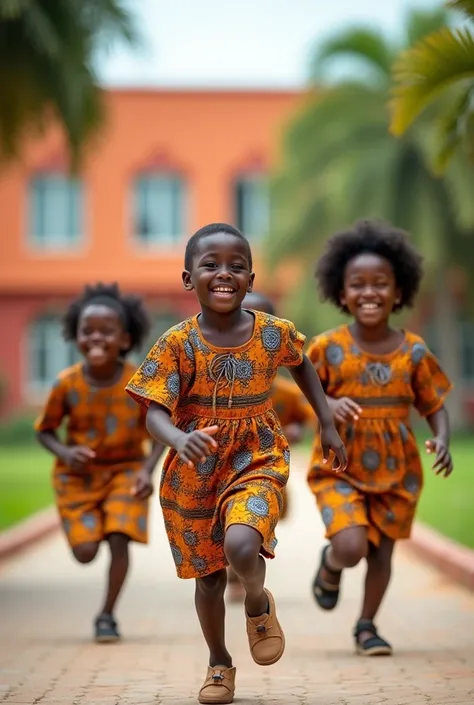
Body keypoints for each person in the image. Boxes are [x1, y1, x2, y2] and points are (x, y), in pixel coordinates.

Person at [125, 223, 346, 704]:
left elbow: (302, 363)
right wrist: (179, 439)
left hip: (256, 454)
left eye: (236, 266)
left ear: (250, 277)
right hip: (194, 470)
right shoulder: (176, 343)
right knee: (208, 576)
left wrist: (326, 422)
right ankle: (219, 663)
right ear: (189, 279)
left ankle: (258, 601)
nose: (224, 273)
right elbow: (155, 414)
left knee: (242, 544)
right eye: (211, 265)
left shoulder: (272, 333)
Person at [307, 220, 453, 657]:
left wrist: (442, 438)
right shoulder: (326, 348)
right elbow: (303, 388)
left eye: (380, 283)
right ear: (342, 292)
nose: (369, 292)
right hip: (340, 466)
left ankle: (367, 625)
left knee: (382, 554)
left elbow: (434, 404)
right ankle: (331, 565)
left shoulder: (414, 351)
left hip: (396, 470)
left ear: (398, 291)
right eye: (358, 284)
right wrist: (328, 407)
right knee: (352, 546)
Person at [35, 283, 164, 643]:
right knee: (86, 553)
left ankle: (107, 615)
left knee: (119, 539)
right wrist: (64, 453)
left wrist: (146, 469)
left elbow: (158, 431)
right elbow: (44, 431)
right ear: (75, 336)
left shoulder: (139, 383)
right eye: (87, 331)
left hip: (126, 471)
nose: (96, 338)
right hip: (78, 477)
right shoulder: (66, 384)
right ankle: (89, 536)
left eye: (106, 331)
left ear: (125, 339)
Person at [226, 291, 315, 603]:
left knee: (249, 521)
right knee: (224, 527)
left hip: (263, 467)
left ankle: (244, 575)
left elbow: (307, 417)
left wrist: (297, 429)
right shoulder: (216, 379)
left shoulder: (287, 392)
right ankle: (233, 571)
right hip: (218, 469)